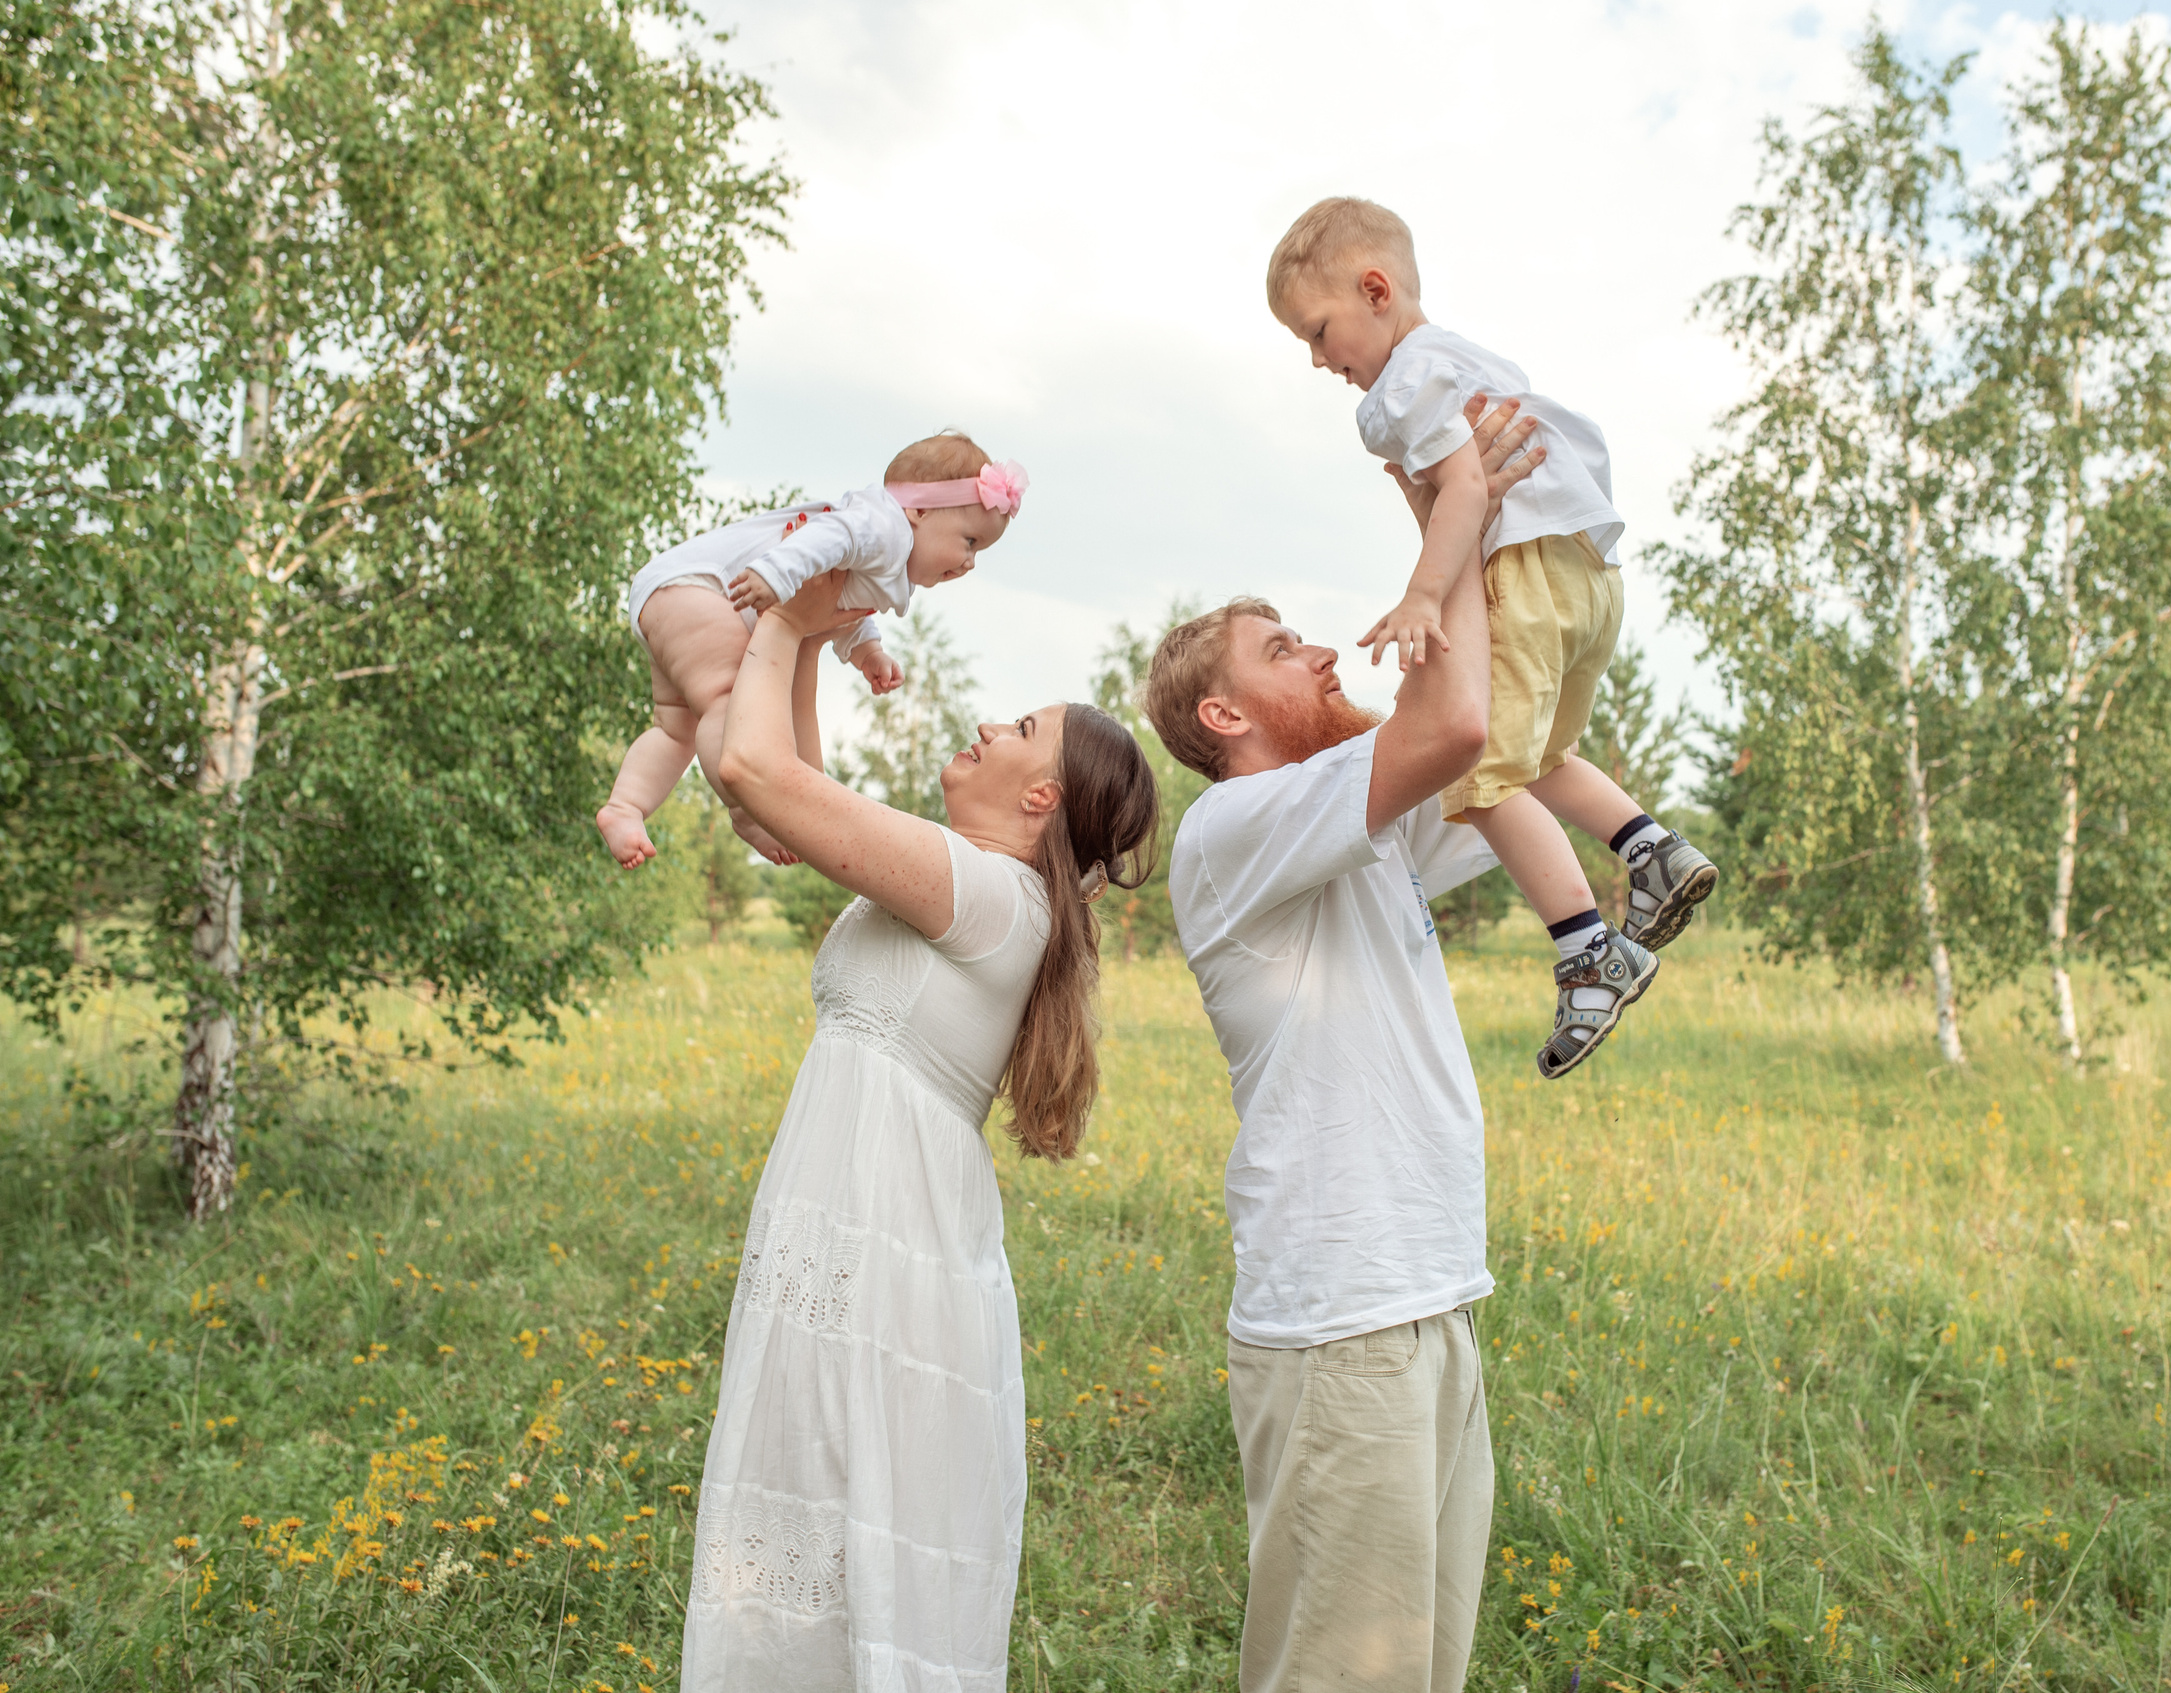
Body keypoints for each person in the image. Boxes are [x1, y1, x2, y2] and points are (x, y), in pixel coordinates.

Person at [679, 566, 1156, 1690]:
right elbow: (783, 788)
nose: (989, 722)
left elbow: (756, 769)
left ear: (1042, 799)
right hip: (858, 1222)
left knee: (849, 1510)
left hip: (882, 1233)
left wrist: (795, 619)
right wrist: (807, 636)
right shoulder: (966, 884)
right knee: (816, 1503)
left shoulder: (989, 894)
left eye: (1021, 728)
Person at [1143, 403, 1539, 1693]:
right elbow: (1452, 726)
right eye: (1279, 647)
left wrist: (1468, 528)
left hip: (1425, 1299)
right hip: (1340, 1322)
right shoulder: (1238, 825)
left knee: (1423, 1669)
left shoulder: (1357, 836)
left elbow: (1512, 729)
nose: (1318, 650)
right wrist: (1449, 516)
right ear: (1221, 711)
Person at [1266, 196, 1719, 1079]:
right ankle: (1650, 849)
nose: (1320, 361)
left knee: (1476, 776)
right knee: (1540, 752)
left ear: (1376, 289)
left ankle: (1591, 950)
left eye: (1319, 333)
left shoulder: (1402, 384)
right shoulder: (1467, 356)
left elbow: (1467, 490)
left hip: (1526, 571)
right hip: (1589, 579)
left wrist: (1423, 594)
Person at [596, 431, 1029, 868]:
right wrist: (775, 574)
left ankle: (625, 807)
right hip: (702, 589)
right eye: (970, 541)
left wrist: (868, 651)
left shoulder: (890, 553)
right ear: (918, 510)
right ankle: (748, 809)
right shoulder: (884, 527)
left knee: (676, 729)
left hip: (677, 593)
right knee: (725, 699)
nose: (970, 562)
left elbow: (841, 601)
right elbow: (826, 539)